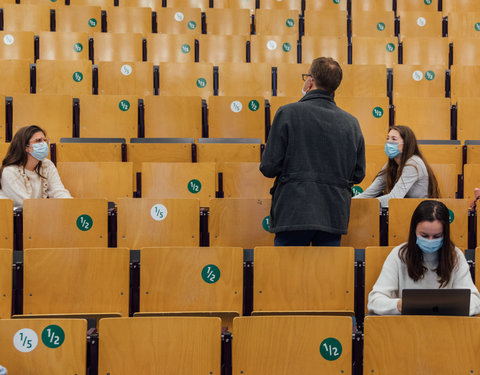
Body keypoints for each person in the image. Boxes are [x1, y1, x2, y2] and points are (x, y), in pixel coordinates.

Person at [259, 57, 366, 246]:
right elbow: (358, 174)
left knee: (287, 275)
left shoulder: (287, 113)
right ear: (335, 87)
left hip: (293, 212)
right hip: (333, 214)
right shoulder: (352, 123)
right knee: (325, 275)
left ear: (310, 80)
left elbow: (268, 166)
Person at [368, 200, 480, 316]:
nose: (430, 240)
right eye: (424, 235)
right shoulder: (399, 255)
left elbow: (475, 301)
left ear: (445, 234)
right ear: (414, 231)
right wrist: (400, 305)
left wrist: (448, 308)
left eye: (437, 236)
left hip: (445, 328)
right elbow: (374, 301)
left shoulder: (455, 255)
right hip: (406, 327)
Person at [354, 125, 439, 207]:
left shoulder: (413, 164)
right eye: (387, 138)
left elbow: (393, 198)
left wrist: (364, 204)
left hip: (419, 211)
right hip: (402, 209)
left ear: (406, 143)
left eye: (394, 139)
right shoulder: (391, 163)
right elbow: (369, 193)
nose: (389, 142)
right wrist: (351, 202)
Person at [0, 125, 72, 209]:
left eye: (45, 140)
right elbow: (25, 203)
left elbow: (58, 191)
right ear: (25, 147)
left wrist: (70, 206)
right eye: (38, 140)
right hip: (15, 218)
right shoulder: (10, 171)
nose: (44, 144)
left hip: (37, 213)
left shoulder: (47, 164)